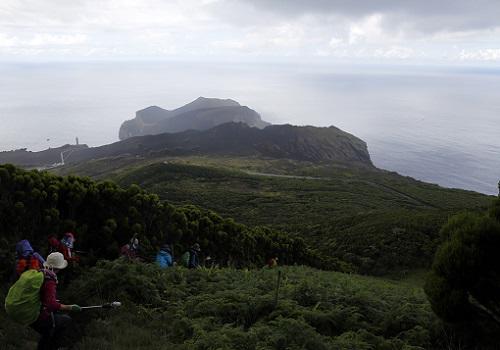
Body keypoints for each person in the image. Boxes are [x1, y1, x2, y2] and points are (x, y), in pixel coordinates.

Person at [30, 252, 81, 350]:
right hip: (36, 315)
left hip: (30, 311)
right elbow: (51, 304)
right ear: (59, 267)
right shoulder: (50, 279)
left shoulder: (40, 272)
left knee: (49, 330)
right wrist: (70, 307)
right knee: (65, 321)